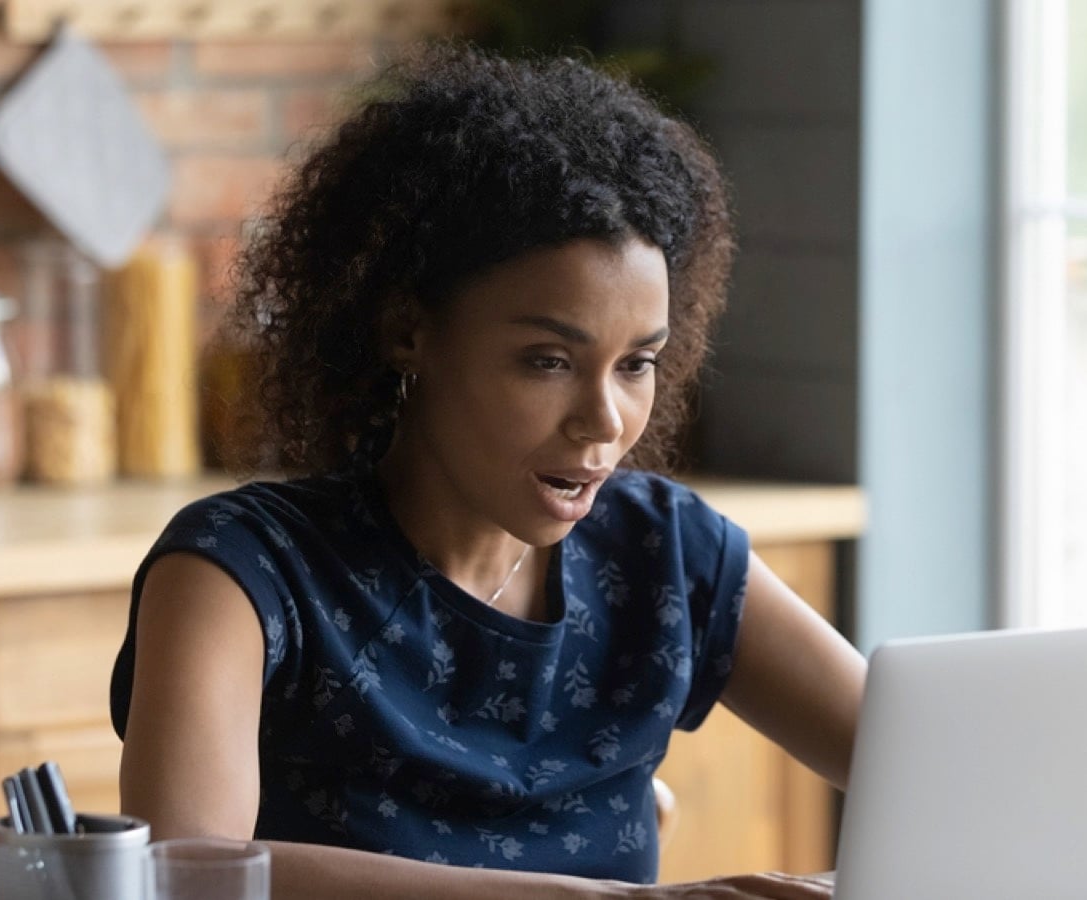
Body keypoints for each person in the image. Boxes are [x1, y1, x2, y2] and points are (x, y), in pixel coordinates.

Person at [111, 45, 867, 899]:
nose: (604, 421)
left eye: (636, 364)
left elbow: (940, 767)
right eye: (548, 361)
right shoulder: (243, 570)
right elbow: (187, 873)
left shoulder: (662, 554)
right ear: (408, 332)